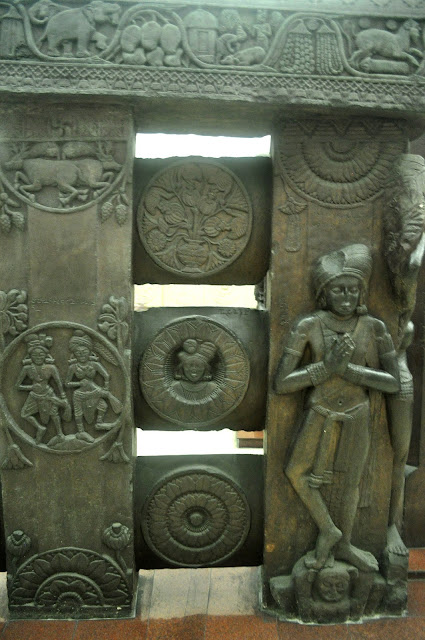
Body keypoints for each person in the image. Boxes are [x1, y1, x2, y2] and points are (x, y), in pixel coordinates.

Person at [274, 244, 400, 572]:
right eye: (338, 290)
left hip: (357, 415)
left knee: (350, 484)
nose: (346, 296)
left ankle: (342, 545)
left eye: (353, 289)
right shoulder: (309, 326)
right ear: (324, 293)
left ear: (361, 293)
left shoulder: (374, 328)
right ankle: (329, 529)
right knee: (295, 472)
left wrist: (348, 371)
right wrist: (326, 368)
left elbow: (392, 383)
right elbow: (282, 383)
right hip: (319, 412)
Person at [66, 330, 122, 441]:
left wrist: (106, 386)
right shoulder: (73, 367)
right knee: (78, 412)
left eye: (84, 351)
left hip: (94, 389)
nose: (81, 354)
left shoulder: (94, 364)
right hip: (80, 393)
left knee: (103, 406)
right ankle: (81, 432)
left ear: (89, 351)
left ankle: (99, 423)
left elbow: (106, 375)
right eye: (78, 352)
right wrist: (78, 383)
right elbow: (67, 383)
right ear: (74, 354)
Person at [17, 333, 70, 445]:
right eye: (35, 355)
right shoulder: (27, 368)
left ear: (46, 355)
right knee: (24, 414)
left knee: (54, 414)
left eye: (41, 354)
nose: (38, 357)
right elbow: (18, 386)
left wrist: (63, 395)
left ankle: (60, 434)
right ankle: (40, 428)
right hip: (34, 396)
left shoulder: (51, 368)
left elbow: (58, 382)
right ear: (30, 356)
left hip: (48, 394)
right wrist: (31, 387)